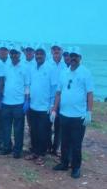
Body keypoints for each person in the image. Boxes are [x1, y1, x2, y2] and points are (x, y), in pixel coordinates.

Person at [52, 47, 93, 179]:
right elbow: (58, 93)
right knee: (64, 142)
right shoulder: (64, 73)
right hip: (64, 114)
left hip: (78, 116)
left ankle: (76, 167)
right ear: (68, 57)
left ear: (80, 58)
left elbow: (90, 94)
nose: (73, 58)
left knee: (76, 144)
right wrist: (54, 109)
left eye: (76, 56)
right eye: (71, 55)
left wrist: (89, 112)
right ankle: (64, 163)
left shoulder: (86, 73)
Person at [25, 46, 57, 165]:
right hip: (33, 106)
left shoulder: (50, 69)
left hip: (45, 108)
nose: (38, 56)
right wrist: (27, 100)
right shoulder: (32, 68)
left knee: (43, 132)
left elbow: (54, 88)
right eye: (37, 54)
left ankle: (42, 154)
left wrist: (53, 106)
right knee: (33, 130)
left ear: (45, 55)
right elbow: (28, 85)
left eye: (41, 54)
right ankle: (34, 152)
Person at [0, 46, 30, 158]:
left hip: (19, 103)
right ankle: (7, 147)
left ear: (20, 54)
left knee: (18, 129)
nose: (13, 55)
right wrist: (1, 98)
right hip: (6, 102)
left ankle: (18, 150)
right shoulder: (5, 66)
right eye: (12, 53)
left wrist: (27, 101)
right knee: (6, 128)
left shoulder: (25, 68)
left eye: (16, 53)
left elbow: (27, 86)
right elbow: (3, 83)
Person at [48, 42, 67, 156]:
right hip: (49, 101)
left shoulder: (66, 66)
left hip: (61, 102)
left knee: (59, 127)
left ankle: (55, 148)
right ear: (51, 51)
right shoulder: (47, 64)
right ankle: (48, 146)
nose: (56, 51)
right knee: (47, 126)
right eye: (54, 49)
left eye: (58, 49)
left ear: (61, 51)